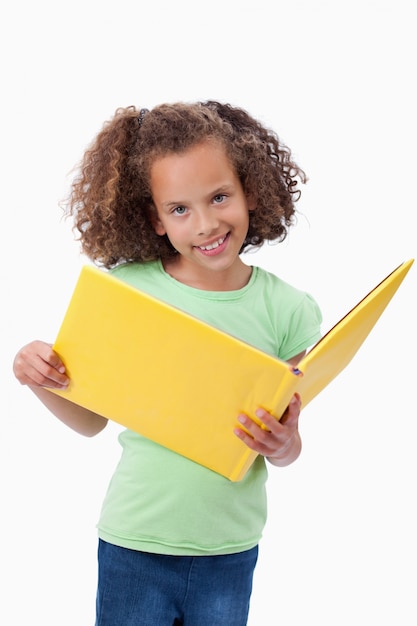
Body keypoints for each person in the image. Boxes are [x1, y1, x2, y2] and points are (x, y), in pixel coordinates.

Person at [13, 101, 322, 625]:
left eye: (220, 196)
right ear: (154, 218)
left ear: (250, 190)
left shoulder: (290, 311)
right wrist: (39, 379)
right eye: (180, 209)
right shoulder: (128, 292)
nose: (206, 224)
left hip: (229, 548)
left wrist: (286, 443)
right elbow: (90, 420)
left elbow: (285, 441)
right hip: (134, 542)